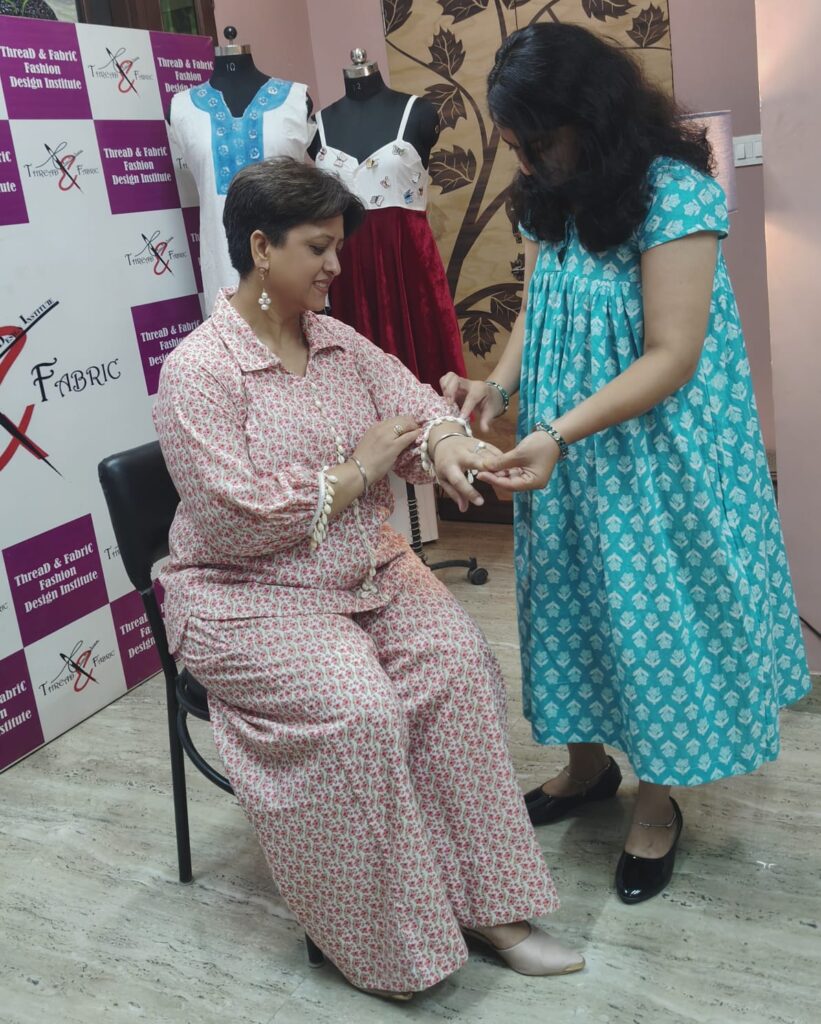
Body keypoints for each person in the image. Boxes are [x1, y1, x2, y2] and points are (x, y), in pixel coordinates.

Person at [153, 157, 584, 999]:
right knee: (359, 713)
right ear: (260, 247)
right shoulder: (199, 371)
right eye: (318, 248)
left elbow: (414, 408)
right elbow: (231, 518)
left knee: (457, 669)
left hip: (360, 567)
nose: (335, 266)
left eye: (337, 248)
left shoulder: (336, 340)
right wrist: (356, 473)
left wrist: (452, 445)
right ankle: (390, 943)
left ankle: (486, 907)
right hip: (246, 593)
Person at [442, 23, 811, 905]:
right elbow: (541, 303)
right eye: (516, 147)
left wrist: (558, 432)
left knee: (651, 625)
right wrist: (497, 385)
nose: (525, 163)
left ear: (591, 117)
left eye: (537, 143)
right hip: (565, 447)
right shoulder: (550, 190)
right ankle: (586, 769)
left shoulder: (674, 196)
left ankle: (656, 801)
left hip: (650, 456)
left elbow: (670, 355)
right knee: (565, 603)